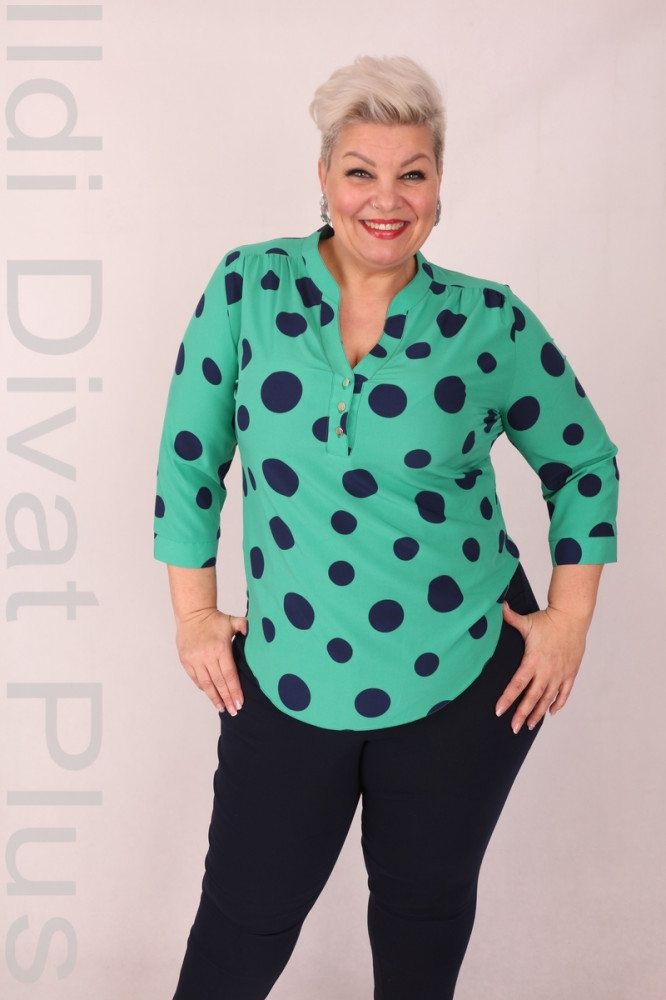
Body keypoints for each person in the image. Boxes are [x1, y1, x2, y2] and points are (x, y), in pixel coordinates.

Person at [154, 56, 618, 1000]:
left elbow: (585, 464)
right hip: (288, 672)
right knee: (243, 920)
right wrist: (196, 617)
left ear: (439, 188)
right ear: (324, 177)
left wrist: (568, 621)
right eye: (361, 170)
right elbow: (189, 463)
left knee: (421, 920)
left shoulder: (488, 322)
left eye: (413, 173)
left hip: (465, 680)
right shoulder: (247, 289)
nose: (387, 198)